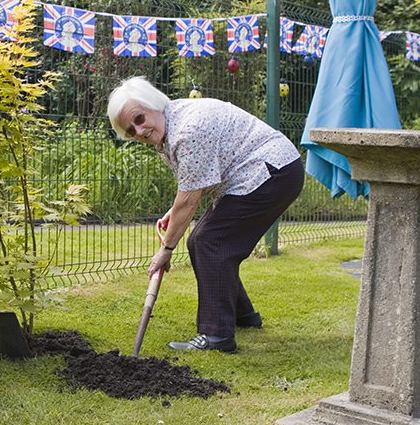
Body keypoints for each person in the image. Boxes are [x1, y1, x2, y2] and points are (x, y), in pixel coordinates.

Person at [106, 76, 304, 353]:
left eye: (139, 118)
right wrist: (174, 212)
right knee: (204, 241)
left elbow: (189, 200)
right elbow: (197, 183)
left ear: (153, 105)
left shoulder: (187, 131)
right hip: (271, 171)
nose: (139, 131)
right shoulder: (172, 124)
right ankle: (242, 316)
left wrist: (166, 249)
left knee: (210, 242)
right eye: (131, 130)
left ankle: (217, 336)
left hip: (269, 173)